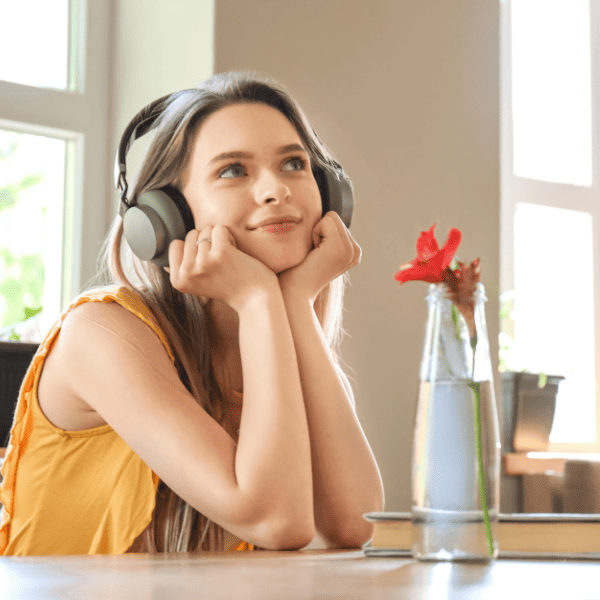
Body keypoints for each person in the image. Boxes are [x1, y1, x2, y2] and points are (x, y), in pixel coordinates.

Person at [0, 71, 384, 555]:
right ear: (166, 218)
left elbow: (355, 524)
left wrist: (295, 302)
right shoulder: (99, 334)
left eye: (293, 163)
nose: (276, 190)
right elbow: (277, 521)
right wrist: (259, 299)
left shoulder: (278, 338)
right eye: (232, 171)